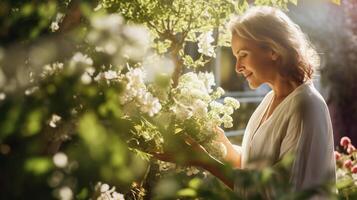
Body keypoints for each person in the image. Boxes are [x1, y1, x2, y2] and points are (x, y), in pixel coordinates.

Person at [154, 6, 336, 198]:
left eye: (243, 55)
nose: (238, 67)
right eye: (235, 57)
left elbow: (278, 191)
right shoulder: (271, 99)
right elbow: (251, 167)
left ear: (273, 50)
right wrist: (219, 143)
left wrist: (204, 161)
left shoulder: (305, 106)